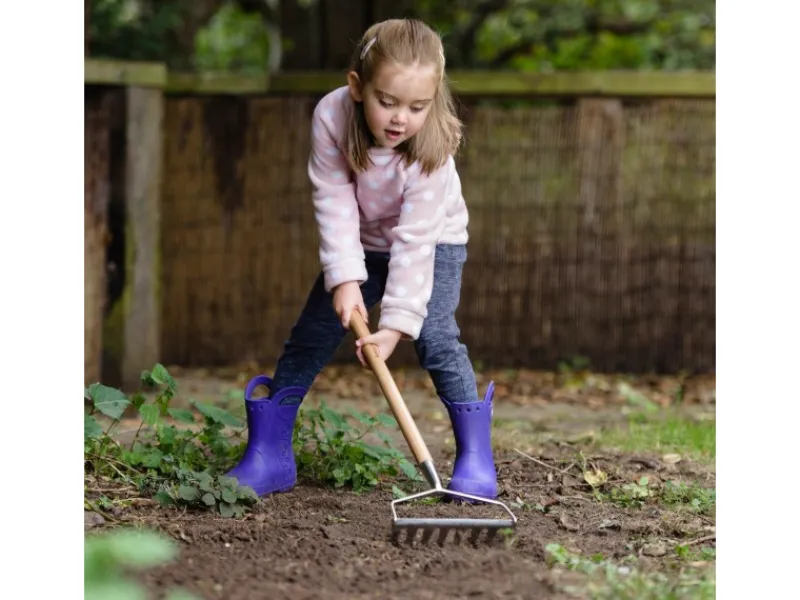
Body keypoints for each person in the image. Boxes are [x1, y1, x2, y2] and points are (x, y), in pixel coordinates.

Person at [226, 18, 499, 501]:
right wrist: (345, 278)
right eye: (387, 102)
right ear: (357, 86)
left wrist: (394, 324)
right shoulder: (332, 115)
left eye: (417, 107)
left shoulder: (434, 147)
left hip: (433, 243)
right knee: (311, 334)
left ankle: (475, 456)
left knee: (435, 335)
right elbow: (332, 199)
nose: (401, 119)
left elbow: (415, 243)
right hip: (361, 242)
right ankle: (269, 456)